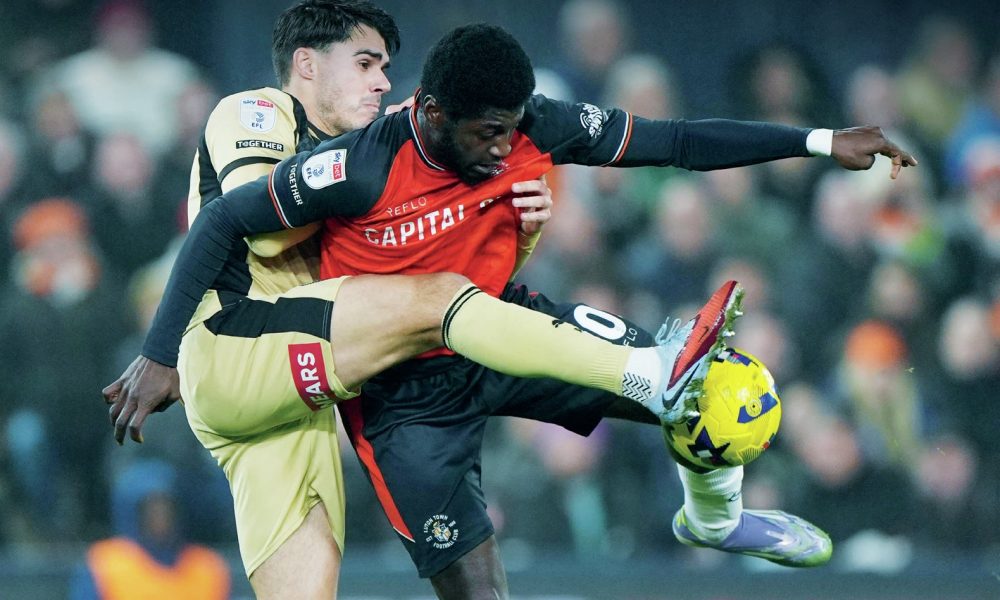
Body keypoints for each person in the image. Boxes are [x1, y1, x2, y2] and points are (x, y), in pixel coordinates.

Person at [109, 17, 918, 598]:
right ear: (430, 116)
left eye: (511, 129)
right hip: (403, 395)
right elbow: (224, 218)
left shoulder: (535, 124)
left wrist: (814, 141)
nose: (504, 147)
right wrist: (161, 351)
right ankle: (651, 376)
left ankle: (712, 516)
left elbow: (675, 140)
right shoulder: (353, 166)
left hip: (506, 324)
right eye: (486, 133)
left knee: (720, 386)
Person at [69, 459, 231, 600]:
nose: (161, 516)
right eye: (151, 509)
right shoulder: (104, 564)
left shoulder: (207, 567)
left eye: (167, 507)